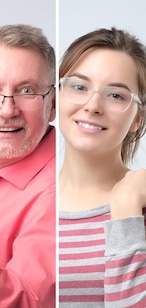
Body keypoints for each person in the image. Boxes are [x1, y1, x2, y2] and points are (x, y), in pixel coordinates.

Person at [0, 24, 56, 307]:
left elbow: (31, 298)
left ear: (52, 104)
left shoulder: (59, 191)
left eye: (26, 90)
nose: (7, 110)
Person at [58, 27, 146, 306]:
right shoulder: (21, 201)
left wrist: (126, 211)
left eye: (116, 95)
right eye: (79, 86)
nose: (93, 105)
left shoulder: (136, 206)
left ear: (137, 120)